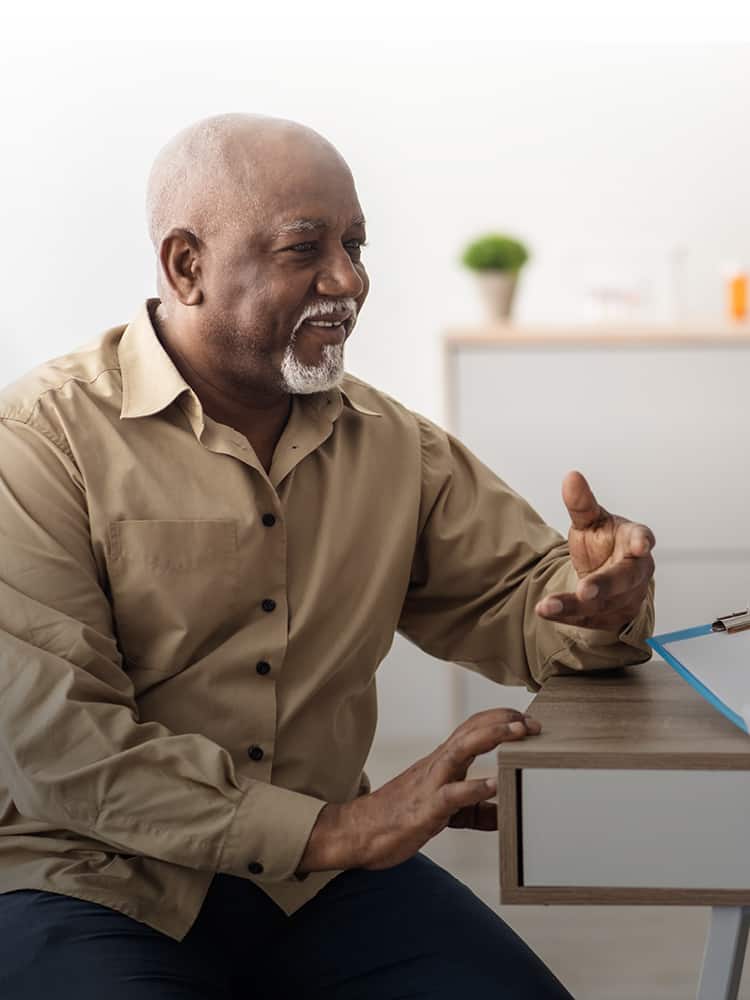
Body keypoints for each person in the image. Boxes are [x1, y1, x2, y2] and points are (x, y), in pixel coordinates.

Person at [0, 113, 655, 999]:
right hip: (91, 878)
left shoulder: (394, 444)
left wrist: (595, 603)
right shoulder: (39, 442)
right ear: (184, 265)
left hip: (317, 888)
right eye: (304, 247)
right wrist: (340, 832)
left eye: (355, 243)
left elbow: (517, 601)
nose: (347, 280)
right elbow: (60, 744)